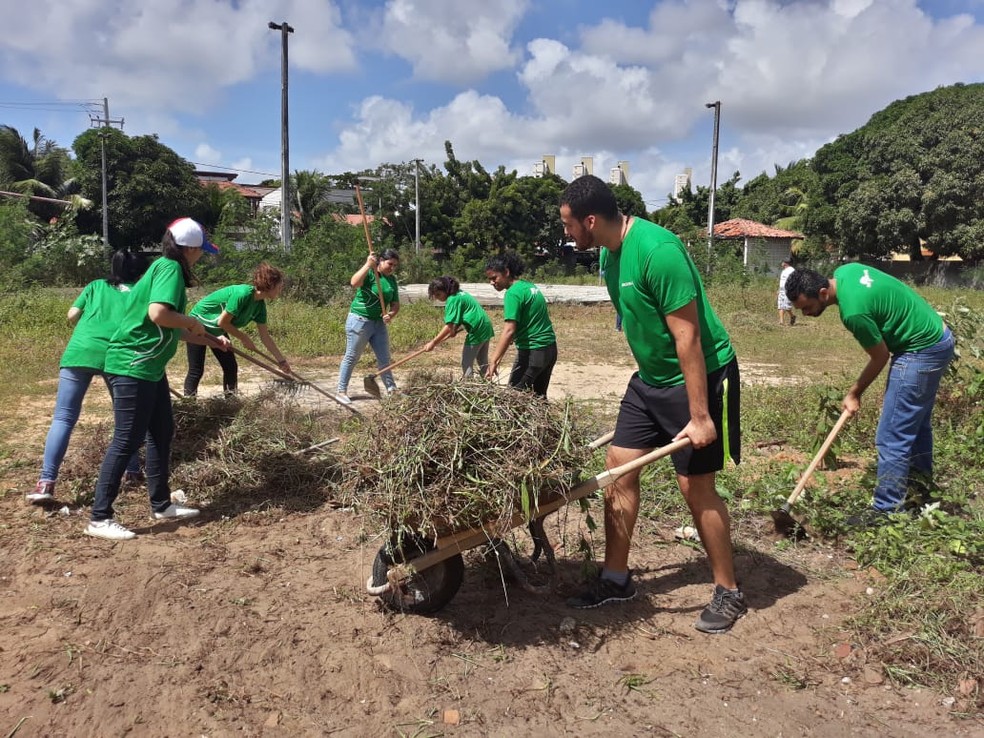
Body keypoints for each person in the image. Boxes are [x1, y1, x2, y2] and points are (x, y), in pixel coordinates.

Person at [559, 175, 745, 634]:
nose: (566, 234)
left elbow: (689, 338)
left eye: (567, 225)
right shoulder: (608, 253)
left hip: (696, 376)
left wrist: (700, 416)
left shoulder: (657, 252)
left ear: (589, 220)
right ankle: (617, 579)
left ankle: (729, 591)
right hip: (650, 381)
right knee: (617, 471)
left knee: (694, 489)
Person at [85, 217, 225, 541]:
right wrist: (191, 321)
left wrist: (210, 338)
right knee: (126, 440)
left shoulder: (162, 268)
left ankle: (161, 504)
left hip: (149, 368)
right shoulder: (170, 269)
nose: (201, 256)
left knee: (162, 432)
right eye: (201, 250)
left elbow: (168, 328)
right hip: (133, 365)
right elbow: (159, 315)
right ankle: (99, 517)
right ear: (189, 248)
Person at [784, 265, 955, 525]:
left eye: (806, 307)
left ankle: (887, 511)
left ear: (822, 292)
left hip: (920, 350)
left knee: (892, 435)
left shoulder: (854, 312)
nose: (806, 314)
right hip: (938, 337)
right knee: (916, 426)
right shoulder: (845, 271)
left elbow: (879, 357)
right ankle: (921, 493)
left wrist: (854, 394)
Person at [26, 250, 150, 503]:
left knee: (63, 417)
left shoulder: (95, 286)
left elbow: (71, 315)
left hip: (79, 353)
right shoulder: (141, 293)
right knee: (126, 419)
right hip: (118, 357)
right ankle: (133, 471)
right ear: (142, 272)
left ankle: (46, 483)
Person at [183, 263, 291, 397]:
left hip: (217, 330)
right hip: (199, 322)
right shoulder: (242, 294)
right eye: (279, 287)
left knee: (230, 367)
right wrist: (244, 338)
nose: (280, 290)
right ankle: (188, 403)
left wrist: (281, 361)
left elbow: (265, 337)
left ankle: (230, 404)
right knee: (196, 370)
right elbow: (222, 322)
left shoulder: (260, 307)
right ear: (270, 284)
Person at [483, 251, 557, 397]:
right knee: (539, 397)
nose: (491, 282)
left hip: (533, 352)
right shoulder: (529, 287)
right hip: (550, 350)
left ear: (506, 272)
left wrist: (493, 360)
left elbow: (509, 330)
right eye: (489, 279)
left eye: (494, 278)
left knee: (513, 398)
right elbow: (529, 319)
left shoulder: (513, 293)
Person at [335, 249, 401, 404]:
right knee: (352, 356)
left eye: (395, 266)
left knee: (384, 359)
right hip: (360, 320)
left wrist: (390, 315)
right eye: (390, 264)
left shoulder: (391, 280)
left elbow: (395, 305)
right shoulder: (371, 274)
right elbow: (354, 282)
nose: (392, 268)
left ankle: (392, 390)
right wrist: (367, 265)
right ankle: (341, 391)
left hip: (378, 324)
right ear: (381, 261)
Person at [424, 276, 494, 378]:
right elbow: (460, 316)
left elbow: (448, 326)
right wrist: (454, 330)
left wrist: (433, 342)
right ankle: (488, 384)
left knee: (466, 362)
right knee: (482, 361)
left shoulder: (452, 299)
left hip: (477, 329)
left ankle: (469, 387)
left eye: (438, 294)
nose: (437, 297)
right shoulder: (460, 293)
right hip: (485, 325)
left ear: (446, 290)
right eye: (435, 295)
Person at [777, 256, 796, 326]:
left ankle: (792, 316)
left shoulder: (792, 270)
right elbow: (782, 281)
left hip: (788, 290)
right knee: (780, 305)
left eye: (783, 262)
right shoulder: (784, 271)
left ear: (786, 263)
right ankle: (781, 321)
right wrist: (779, 289)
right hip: (782, 290)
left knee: (787, 306)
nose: (781, 263)